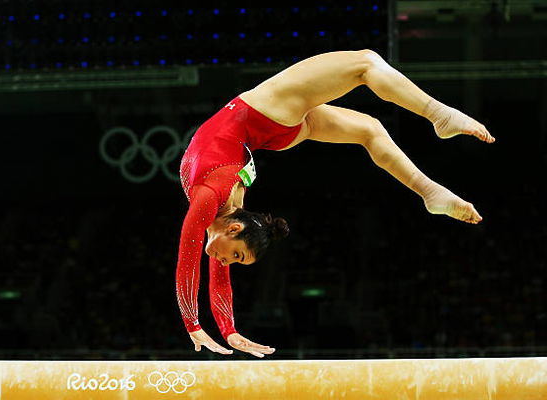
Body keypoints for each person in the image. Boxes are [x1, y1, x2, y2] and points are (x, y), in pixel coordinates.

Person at [176, 50, 495, 358]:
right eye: (237, 257)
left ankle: (436, 140)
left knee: (367, 84)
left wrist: (200, 326)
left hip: (263, 112)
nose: (224, 261)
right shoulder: (225, 216)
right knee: (366, 89)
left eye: (234, 256)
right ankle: (431, 184)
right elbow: (217, 277)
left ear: (234, 228)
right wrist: (227, 329)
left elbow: (188, 258)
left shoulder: (209, 197)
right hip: (266, 126)